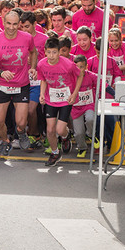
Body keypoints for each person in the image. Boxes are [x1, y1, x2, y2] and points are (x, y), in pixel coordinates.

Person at [0, 9, 37, 156]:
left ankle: (21, 134)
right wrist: (2, 72)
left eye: (15, 24)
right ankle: (5, 141)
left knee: (21, 123)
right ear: (3, 22)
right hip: (2, 85)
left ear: (19, 24)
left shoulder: (27, 38)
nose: (11, 27)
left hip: (21, 85)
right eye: (8, 23)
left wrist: (33, 67)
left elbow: (34, 52)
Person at [37, 35, 84, 166]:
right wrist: (41, 94)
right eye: (49, 52)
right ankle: (55, 152)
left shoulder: (68, 64)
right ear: (45, 51)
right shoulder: (41, 64)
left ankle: (66, 135)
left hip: (65, 99)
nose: (51, 55)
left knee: (59, 129)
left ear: (59, 52)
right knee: (50, 130)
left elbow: (80, 76)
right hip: (51, 99)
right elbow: (43, 80)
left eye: (54, 52)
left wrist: (74, 94)